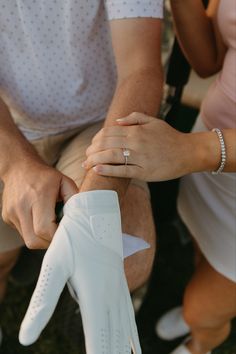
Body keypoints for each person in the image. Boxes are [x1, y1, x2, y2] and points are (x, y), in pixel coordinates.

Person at [0, 0, 164, 348]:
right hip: (9, 124)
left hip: (100, 122)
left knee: (125, 261)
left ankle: (80, 302)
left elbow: (141, 68)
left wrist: (97, 199)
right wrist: (14, 164)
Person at [84, 0, 236, 353]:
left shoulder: (192, 150)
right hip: (209, 150)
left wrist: (192, 151)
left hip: (202, 150)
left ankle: (201, 340)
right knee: (205, 250)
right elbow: (208, 59)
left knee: (204, 309)